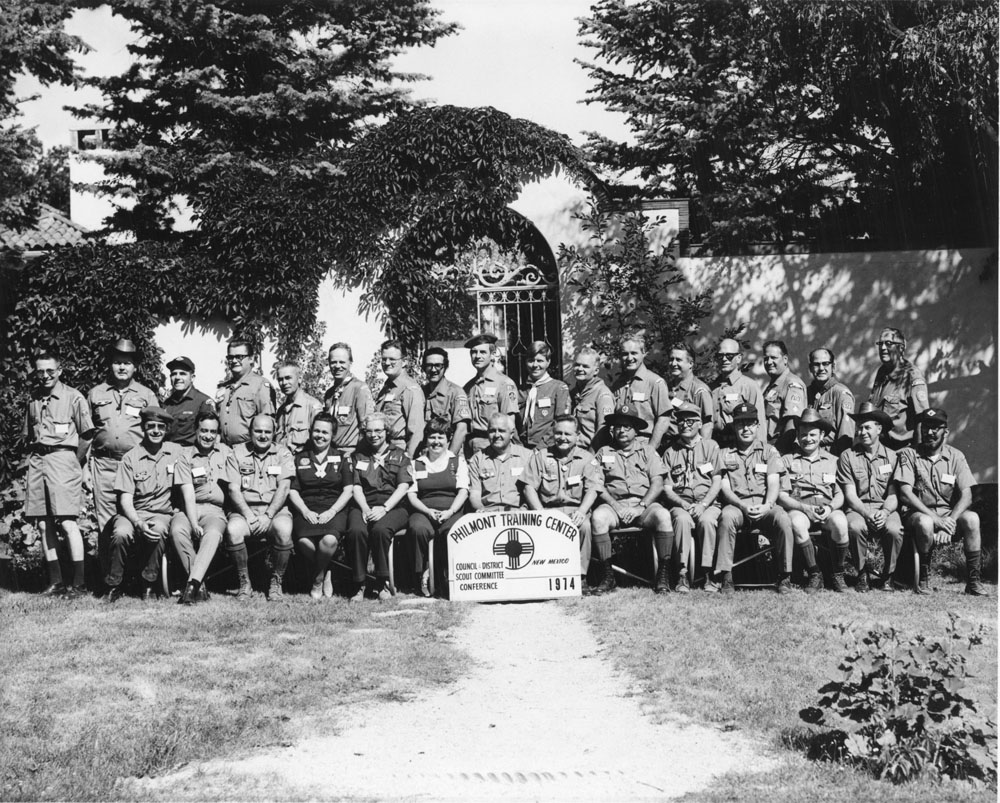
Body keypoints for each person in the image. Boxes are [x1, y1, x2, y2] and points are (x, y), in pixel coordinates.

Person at [894, 408, 985, 596]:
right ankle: (924, 578)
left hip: (948, 516)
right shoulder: (909, 454)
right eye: (926, 427)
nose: (930, 433)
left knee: (972, 519)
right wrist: (936, 519)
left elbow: (967, 495)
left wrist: (948, 523)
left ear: (946, 432)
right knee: (925, 521)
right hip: (918, 514)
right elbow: (905, 494)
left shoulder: (956, 456)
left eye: (936, 428)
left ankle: (974, 581)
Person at [24, 352, 92, 598]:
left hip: (64, 459)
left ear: (60, 370)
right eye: (40, 371)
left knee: (67, 521)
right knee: (43, 524)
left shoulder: (73, 397)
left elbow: (87, 435)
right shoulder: (33, 399)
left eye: (49, 371)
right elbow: (30, 434)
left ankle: (80, 583)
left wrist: (74, 461)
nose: (44, 376)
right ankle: (56, 582)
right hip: (38, 461)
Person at [103, 407, 184, 602]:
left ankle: (149, 583)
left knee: (158, 529)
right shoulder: (130, 458)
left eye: (161, 427)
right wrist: (137, 522)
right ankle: (114, 584)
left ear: (166, 430)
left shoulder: (175, 452)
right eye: (151, 427)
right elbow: (125, 500)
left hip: (160, 512)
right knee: (121, 533)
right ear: (143, 428)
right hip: (133, 513)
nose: (156, 431)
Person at [591, 404, 673, 595]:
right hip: (614, 505)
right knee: (598, 518)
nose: (621, 431)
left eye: (627, 427)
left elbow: (657, 483)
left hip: (644, 505)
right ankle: (608, 576)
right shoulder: (604, 452)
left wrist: (640, 506)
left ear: (636, 430)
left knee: (663, 516)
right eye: (618, 426)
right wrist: (615, 505)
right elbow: (597, 484)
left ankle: (663, 575)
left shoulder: (648, 451)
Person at [713, 403, 794, 594]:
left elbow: (774, 482)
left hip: (765, 504)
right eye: (741, 424)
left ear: (757, 425)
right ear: (734, 427)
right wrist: (741, 505)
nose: (746, 429)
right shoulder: (723, 454)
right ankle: (726, 576)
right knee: (726, 517)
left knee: (783, 518)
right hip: (737, 505)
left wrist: (768, 505)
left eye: (750, 423)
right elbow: (724, 488)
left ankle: (785, 576)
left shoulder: (769, 451)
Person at [520, 415, 602, 593]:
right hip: (547, 510)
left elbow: (593, 489)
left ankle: (580, 578)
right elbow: (528, 488)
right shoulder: (540, 456)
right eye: (558, 433)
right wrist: (540, 512)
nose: (562, 438)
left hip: (575, 511)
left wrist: (582, 511)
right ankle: (542, 578)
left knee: (585, 526)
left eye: (567, 434)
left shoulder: (587, 458)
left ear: (577, 435)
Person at [86, 338, 158, 535]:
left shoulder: (146, 395)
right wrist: (85, 468)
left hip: (135, 465)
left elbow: (156, 433)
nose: (122, 367)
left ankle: (134, 566)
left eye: (127, 363)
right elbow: (86, 434)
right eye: (117, 362)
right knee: (106, 523)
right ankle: (108, 566)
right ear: (110, 364)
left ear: (135, 367)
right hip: (103, 466)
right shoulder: (95, 393)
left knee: (137, 518)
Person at [777, 408, 850, 592]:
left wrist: (831, 507)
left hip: (827, 507)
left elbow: (840, 494)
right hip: (800, 508)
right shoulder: (787, 460)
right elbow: (782, 495)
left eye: (812, 434)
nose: (807, 439)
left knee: (841, 523)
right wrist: (804, 508)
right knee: (796, 523)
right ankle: (814, 573)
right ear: (797, 436)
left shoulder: (834, 460)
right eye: (803, 435)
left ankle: (837, 574)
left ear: (822, 435)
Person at [224, 414, 295, 601]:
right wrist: (249, 515)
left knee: (284, 530)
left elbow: (284, 487)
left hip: (275, 511)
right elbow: (233, 488)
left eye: (267, 432)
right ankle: (244, 583)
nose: (263, 436)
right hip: (245, 511)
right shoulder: (236, 453)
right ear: (250, 432)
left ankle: (276, 582)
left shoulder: (283, 453)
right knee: (232, 531)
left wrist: (268, 515)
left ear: (274, 433)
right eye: (258, 431)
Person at [837, 402, 903, 592]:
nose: (862, 432)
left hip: (885, 507)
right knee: (855, 526)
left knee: (894, 529)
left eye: (867, 427)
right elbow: (850, 494)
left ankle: (888, 575)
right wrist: (867, 513)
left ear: (879, 429)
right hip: (858, 508)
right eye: (859, 427)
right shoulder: (847, 456)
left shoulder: (893, 457)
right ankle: (862, 573)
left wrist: (884, 512)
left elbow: (893, 494)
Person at [286, 413, 354, 599]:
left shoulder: (342, 458)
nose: (320, 435)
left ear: (332, 435)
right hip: (306, 506)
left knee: (329, 541)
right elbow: (293, 490)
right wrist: (305, 511)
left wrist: (332, 511)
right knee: (303, 542)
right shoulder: (300, 457)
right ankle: (326, 568)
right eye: (316, 431)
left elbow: (348, 490)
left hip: (334, 507)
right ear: (310, 432)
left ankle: (318, 577)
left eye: (325, 432)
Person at [345, 412, 411, 601]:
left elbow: (403, 486)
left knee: (381, 530)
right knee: (356, 530)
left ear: (386, 431)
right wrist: (365, 509)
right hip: (363, 503)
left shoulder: (400, 455)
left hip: (394, 505)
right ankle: (359, 584)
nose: (374, 435)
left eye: (378, 430)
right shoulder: (358, 456)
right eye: (369, 431)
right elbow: (356, 486)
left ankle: (382, 582)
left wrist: (385, 508)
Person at [170, 410, 231, 605]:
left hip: (215, 511)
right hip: (190, 508)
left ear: (218, 434)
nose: (208, 436)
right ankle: (199, 583)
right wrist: (194, 522)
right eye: (203, 430)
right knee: (177, 530)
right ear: (196, 430)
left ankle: (191, 585)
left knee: (212, 534)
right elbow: (187, 494)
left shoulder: (226, 453)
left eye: (212, 432)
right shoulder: (185, 456)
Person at [660, 402, 722, 593]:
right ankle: (682, 572)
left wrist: (703, 505)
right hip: (681, 502)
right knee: (681, 519)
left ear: (699, 423)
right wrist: (683, 504)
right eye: (681, 421)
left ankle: (708, 572)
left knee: (707, 521)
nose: (685, 425)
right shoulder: (670, 452)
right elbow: (667, 488)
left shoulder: (710, 446)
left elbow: (717, 481)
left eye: (690, 421)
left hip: (708, 502)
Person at [405, 416, 470, 597]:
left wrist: (450, 512)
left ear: (448, 439)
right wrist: (427, 511)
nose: (436, 441)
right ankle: (422, 574)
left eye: (441, 437)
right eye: (432, 437)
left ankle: (447, 576)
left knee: (451, 532)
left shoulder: (458, 462)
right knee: (417, 529)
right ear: (426, 439)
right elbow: (411, 494)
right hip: (424, 510)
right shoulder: (416, 463)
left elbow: (463, 492)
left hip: (452, 509)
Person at [868, 327, 929, 448]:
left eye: (888, 343)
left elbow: (922, 419)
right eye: (880, 344)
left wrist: (916, 455)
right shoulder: (882, 372)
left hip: (900, 451)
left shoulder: (912, 376)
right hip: (879, 449)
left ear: (901, 348)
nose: (883, 348)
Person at [609, 335, 671, 452]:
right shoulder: (618, 385)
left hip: (643, 445)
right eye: (625, 354)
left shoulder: (655, 382)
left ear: (644, 353)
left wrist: (650, 450)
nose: (629, 358)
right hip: (619, 447)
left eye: (634, 353)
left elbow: (664, 419)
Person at [463, 333, 519, 455]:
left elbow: (509, 423)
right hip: (469, 446)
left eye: (483, 352)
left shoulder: (504, 383)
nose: (477, 356)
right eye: (474, 352)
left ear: (492, 355)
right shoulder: (468, 387)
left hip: (492, 446)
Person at [216, 338, 276, 446]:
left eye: (239, 357)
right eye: (230, 357)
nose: (234, 361)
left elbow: (268, 423)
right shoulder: (225, 387)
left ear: (251, 359)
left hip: (248, 450)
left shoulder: (260, 385)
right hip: (224, 449)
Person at [468, 412, 531, 511]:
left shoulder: (527, 457)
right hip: (488, 515)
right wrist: (480, 509)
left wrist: (524, 510)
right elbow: (474, 494)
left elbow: (533, 491)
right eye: (492, 431)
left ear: (511, 434)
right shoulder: (477, 459)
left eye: (501, 431)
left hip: (519, 514)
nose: (497, 435)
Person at [709, 338, 765, 447]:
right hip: (714, 447)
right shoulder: (711, 388)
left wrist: (760, 453)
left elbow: (760, 425)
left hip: (738, 447)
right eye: (720, 356)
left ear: (738, 358)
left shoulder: (748, 386)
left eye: (729, 356)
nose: (724, 359)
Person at [375, 339, 425, 456]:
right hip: (383, 449)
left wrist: (409, 461)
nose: (387, 363)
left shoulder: (410, 389)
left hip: (399, 451)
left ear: (404, 362)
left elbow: (416, 431)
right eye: (384, 359)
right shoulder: (387, 388)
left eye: (392, 359)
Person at [323, 342, 374, 456]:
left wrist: (359, 455)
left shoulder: (359, 388)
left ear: (350, 363)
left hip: (351, 452)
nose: (337, 366)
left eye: (342, 362)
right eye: (333, 362)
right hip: (331, 452)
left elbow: (366, 425)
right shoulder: (329, 394)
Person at [421, 346, 472, 455]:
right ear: (424, 367)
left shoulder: (456, 393)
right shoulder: (420, 392)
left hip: (447, 452)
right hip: (425, 455)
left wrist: (448, 458)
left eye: (438, 365)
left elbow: (461, 430)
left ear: (445, 367)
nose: (433, 370)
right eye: (429, 365)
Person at [519, 341, 570, 449]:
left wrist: (541, 447)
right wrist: (518, 447)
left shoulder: (559, 388)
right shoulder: (520, 390)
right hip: (521, 448)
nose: (535, 365)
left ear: (548, 362)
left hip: (547, 448)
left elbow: (560, 422)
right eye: (531, 360)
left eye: (540, 361)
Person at [806, 347, 855, 455]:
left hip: (831, 456)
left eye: (825, 364)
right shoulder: (807, 392)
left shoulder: (841, 393)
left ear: (833, 367)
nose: (821, 368)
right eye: (816, 364)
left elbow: (846, 436)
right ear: (810, 368)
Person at [761, 340, 807, 454]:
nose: (769, 362)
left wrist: (778, 453)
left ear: (785, 359)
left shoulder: (792, 384)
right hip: (767, 447)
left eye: (773, 357)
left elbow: (792, 425)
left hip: (780, 449)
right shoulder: (773, 386)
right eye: (766, 358)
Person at [162, 355, 214, 446]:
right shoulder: (167, 404)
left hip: (190, 455)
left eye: (182, 373)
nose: (177, 377)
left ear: (192, 378)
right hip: (168, 453)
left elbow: (210, 436)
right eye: (174, 374)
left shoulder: (203, 402)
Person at [569, 346, 614, 450]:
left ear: (596, 371)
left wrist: (590, 459)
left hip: (591, 453)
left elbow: (603, 432)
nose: (580, 369)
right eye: (577, 365)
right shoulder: (573, 393)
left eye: (585, 366)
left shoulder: (602, 394)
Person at [665, 344, 713, 440]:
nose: (673, 364)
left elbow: (707, 424)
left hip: (687, 446)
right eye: (671, 359)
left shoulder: (699, 390)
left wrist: (701, 451)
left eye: (678, 360)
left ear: (691, 364)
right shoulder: (665, 387)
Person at [274, 363, 323, 453]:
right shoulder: (281, 411)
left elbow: (320, 441)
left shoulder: (312, 406)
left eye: (288, 378)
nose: (284, 383)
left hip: (303, 462)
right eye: (280, 379)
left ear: (299, 379)